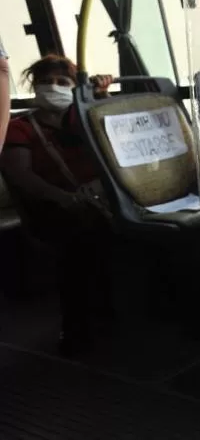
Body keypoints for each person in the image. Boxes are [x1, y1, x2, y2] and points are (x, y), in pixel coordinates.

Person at [0, 55, 113, 355]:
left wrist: (100, 95)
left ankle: (111, 312)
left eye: (62, 83)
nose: (53, 87)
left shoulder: (84, 119)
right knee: (79, 242)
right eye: (45, 82)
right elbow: (20, 176)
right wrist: (64, 199)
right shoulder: (20, 128)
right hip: (52, 206)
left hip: (99, 199)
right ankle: (77, 331)